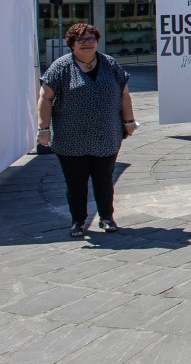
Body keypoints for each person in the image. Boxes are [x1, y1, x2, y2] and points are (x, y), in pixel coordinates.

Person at [37, 23, 136, 237]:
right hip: (70, 138)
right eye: (81, 40)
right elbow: (45, 97)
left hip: (106, 135)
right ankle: (78, 221)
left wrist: (129, 122)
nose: (87, 43)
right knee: (76, 182)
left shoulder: (109, 64)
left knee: (104, 179)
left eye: (91, 39)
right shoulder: (61, 67)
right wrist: (43, 128)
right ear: (72, 44)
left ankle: (107, 217)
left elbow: (124, 94)